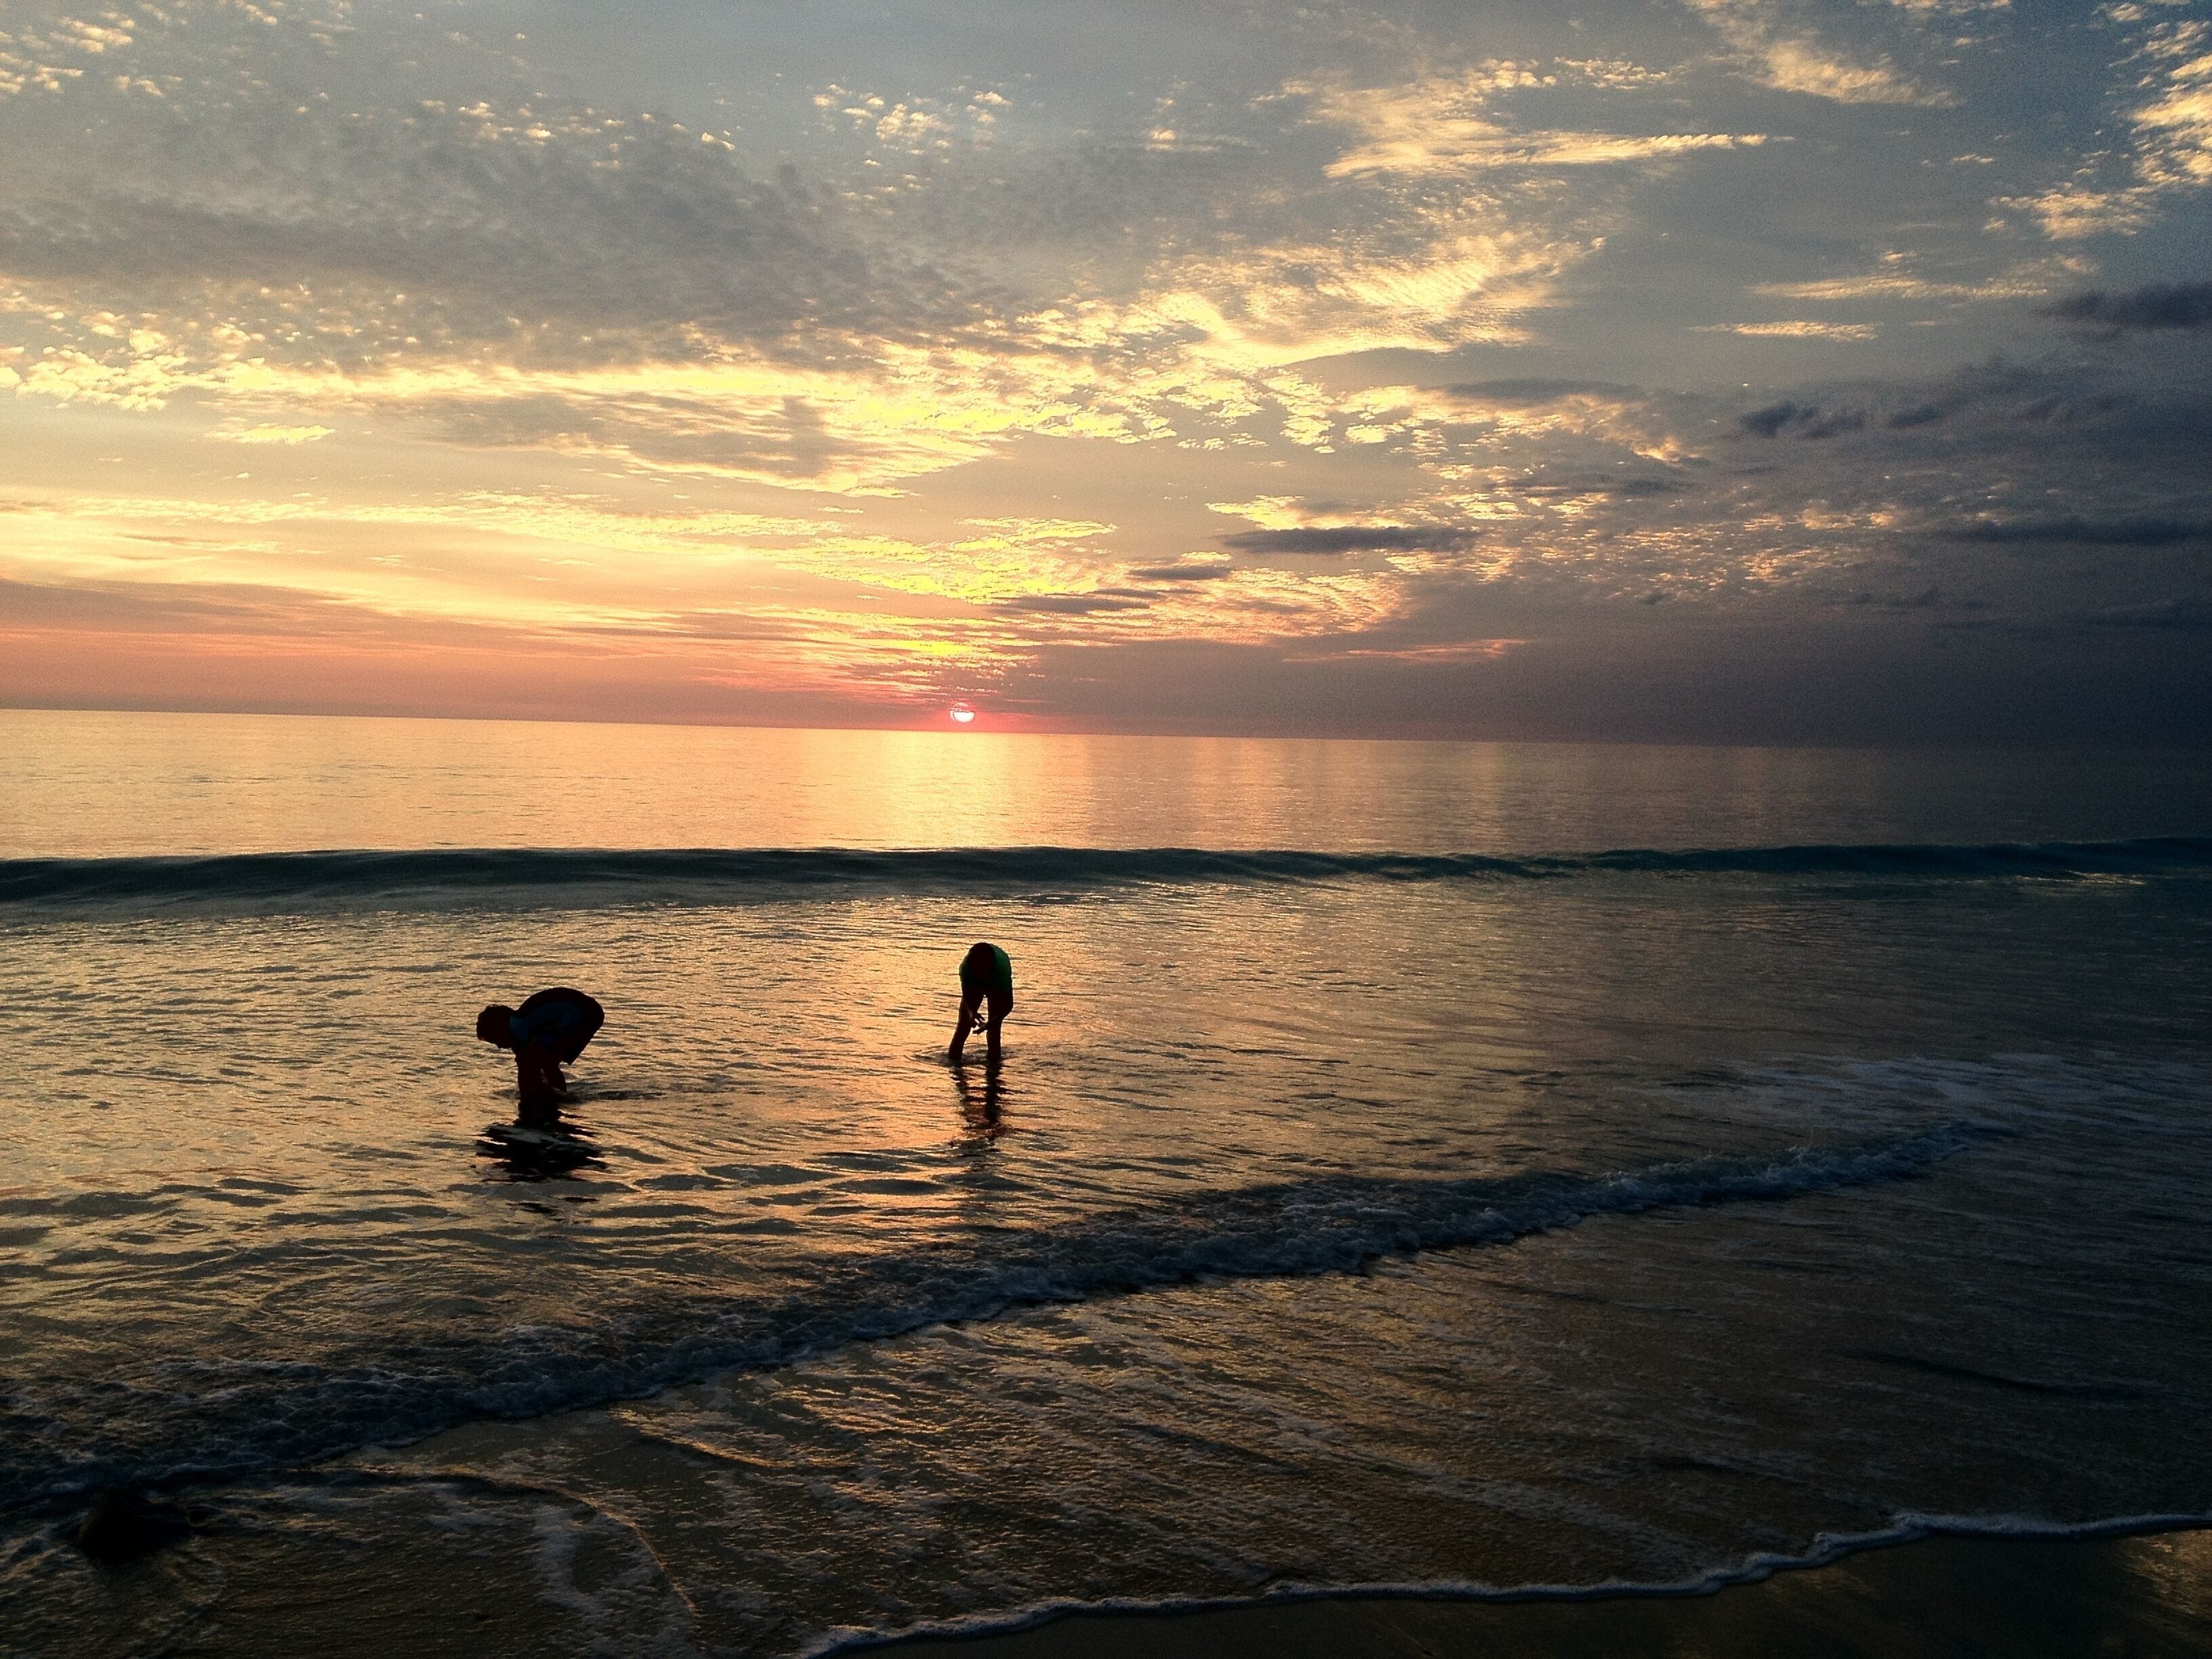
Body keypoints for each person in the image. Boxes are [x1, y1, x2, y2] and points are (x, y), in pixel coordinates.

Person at [476, 987, 604, 1123]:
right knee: (543, 1061)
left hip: (583, 1013)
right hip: (586, 1013)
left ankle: (549, 1103)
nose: (499, 1046)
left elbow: (524, 1063)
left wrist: (525, 1102)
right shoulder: (522, 1032)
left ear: (500, 1027)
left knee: (533, 1059)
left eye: (496, 1040)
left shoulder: (520, 1025)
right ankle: (556, 1098)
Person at [947, 941, 1012, 1065]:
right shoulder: (966, 968)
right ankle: (953, 1067)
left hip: (996, 983)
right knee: (963, 1025)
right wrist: (971, 1013)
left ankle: (993, 1068)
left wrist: (992, 1022)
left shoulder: (1002, 970)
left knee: (994, 1030)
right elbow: (966, 997)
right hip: (974, 983)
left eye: (982, 973)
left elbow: (1008, 1005)